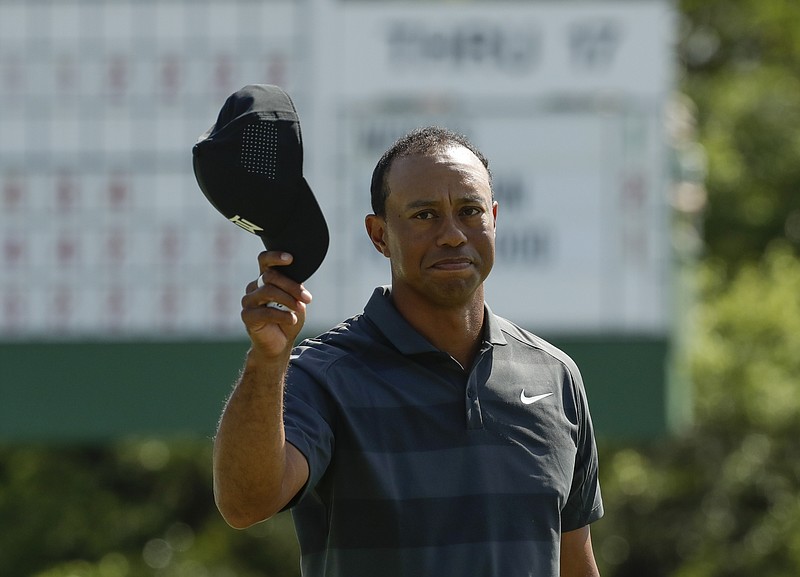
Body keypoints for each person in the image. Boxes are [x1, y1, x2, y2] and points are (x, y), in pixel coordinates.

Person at [212, 126, 604, 577]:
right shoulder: (323, 376)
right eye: (424, 215)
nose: (453, 234)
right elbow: (245, 504)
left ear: (493, 218)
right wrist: (267, 361)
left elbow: (576, 563)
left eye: (470, 211)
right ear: (379, 235)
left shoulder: (554, 376)